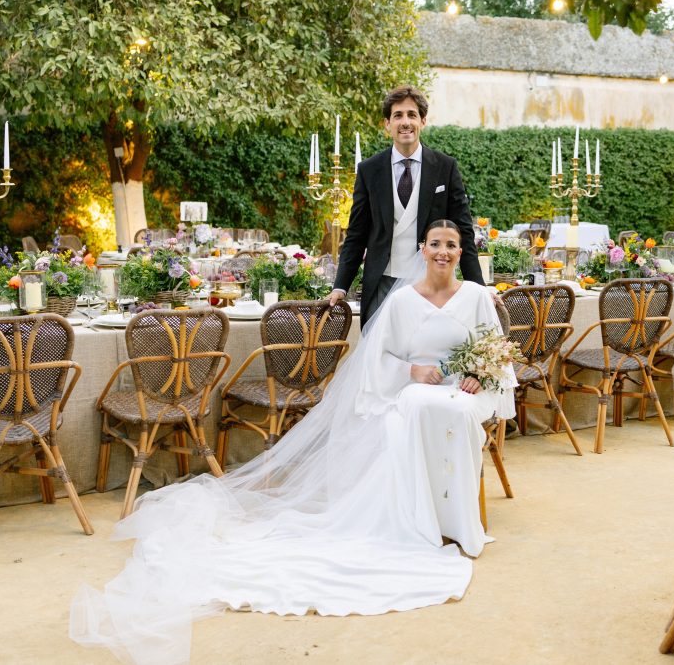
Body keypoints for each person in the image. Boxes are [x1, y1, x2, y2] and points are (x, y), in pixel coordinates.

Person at [71, 221, 514, 665]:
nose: (443, 251)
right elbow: (378, 362)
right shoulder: (401, 301)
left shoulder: (476, 297)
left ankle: (455, 519)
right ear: (422, 248)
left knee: (451, 411)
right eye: (435, 244)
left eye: (451, 246)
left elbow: (498, 351)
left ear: (461, 252)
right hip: (414, 392)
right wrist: (412, 372)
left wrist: (480, 373)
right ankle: (421, 518)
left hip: (464, 393)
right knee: (412, 410)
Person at [330, 85, 483, 325]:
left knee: (427, 357)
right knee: (384, 358)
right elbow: (356, 235)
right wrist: (340, 286)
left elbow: (463, 230)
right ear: (387, 124)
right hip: (382, 282)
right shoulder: (369, 170)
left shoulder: (445, 167)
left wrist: (478, 288)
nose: (405, 122)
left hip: (431, 285)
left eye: (412, 115)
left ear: (423, 121)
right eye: (398, 115)